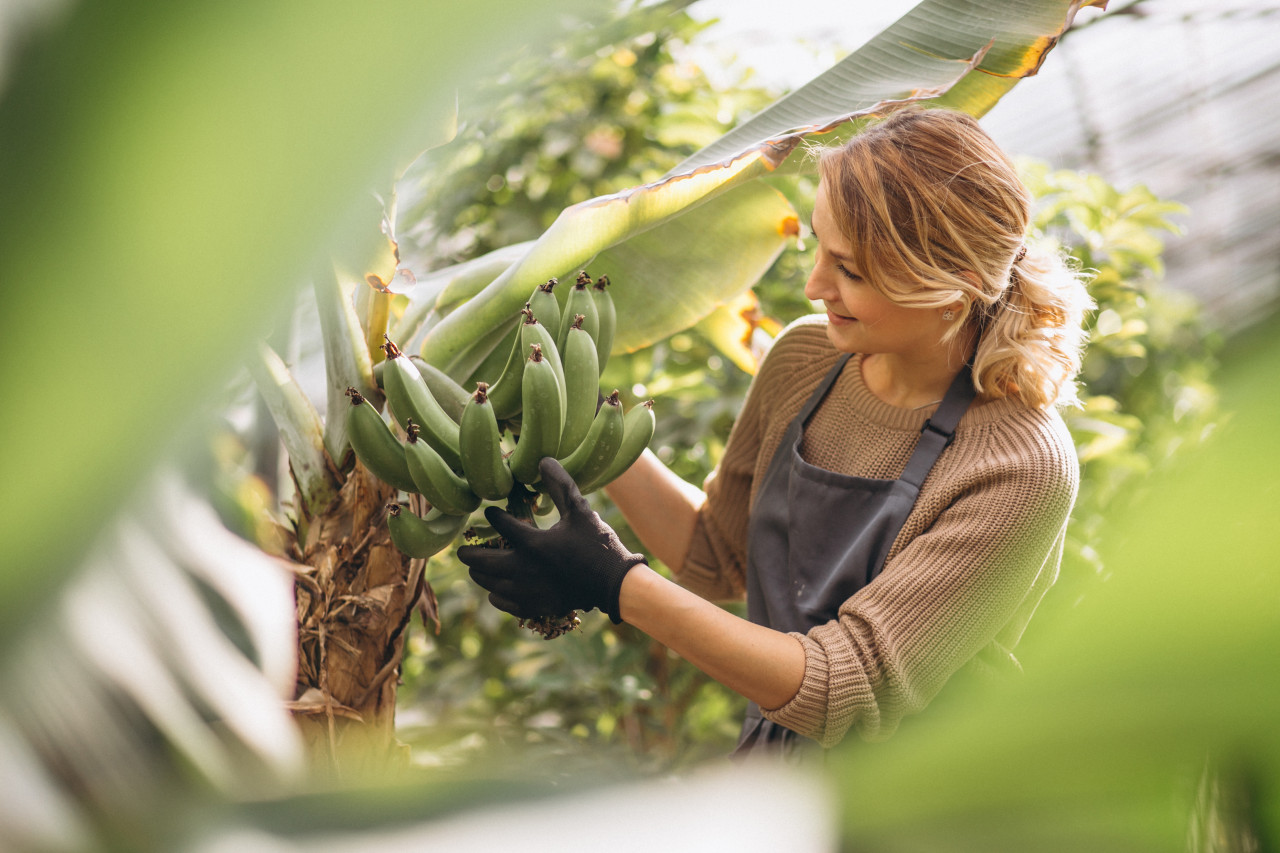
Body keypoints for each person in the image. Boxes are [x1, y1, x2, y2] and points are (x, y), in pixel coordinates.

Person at [458, 107, 1093, 759]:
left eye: (850, 271)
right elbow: (718, 555)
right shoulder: (808, 361)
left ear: (950, 294)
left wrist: (615, 581)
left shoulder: (1020, 466)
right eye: (819, 245)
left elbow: (844, 686)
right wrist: (576, 417)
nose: (816, 285)